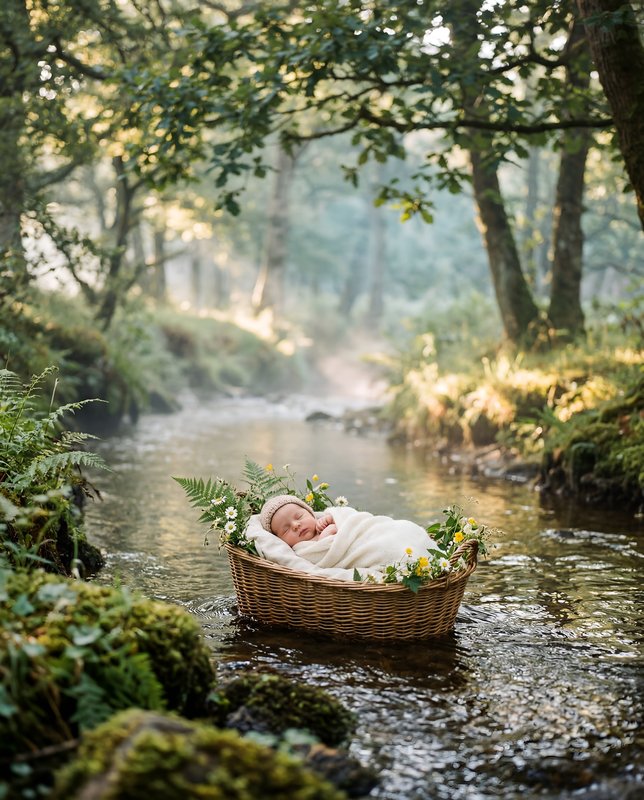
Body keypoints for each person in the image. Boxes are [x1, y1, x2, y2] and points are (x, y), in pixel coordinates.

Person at [259, 494, 337, 547]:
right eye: (286, 530)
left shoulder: (322, 521)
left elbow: (343, 519)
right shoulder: (299, 550)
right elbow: (320, 554)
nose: (295, 525)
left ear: (310, 513)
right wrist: (325, 537)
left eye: (299, 517)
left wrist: (331, 519)